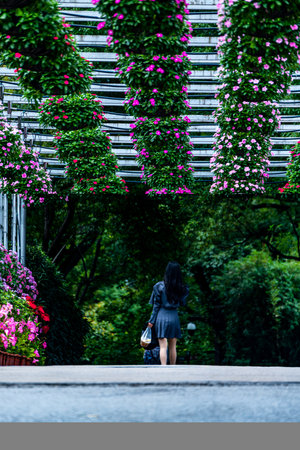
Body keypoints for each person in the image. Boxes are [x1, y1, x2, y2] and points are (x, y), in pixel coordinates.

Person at [147, 261, 189, 365]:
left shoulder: (159, 286)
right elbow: (183, 303)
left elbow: (156, 305)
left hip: (161, 315)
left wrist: (151, 321)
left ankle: (163, 367)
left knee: (162, 346)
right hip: (174, 316)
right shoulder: (182, 288)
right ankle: (173, 367)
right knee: (173, 346)